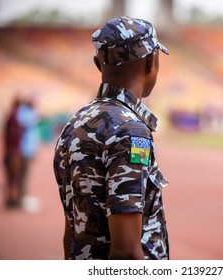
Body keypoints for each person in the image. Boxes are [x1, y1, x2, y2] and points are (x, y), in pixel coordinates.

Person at [53, 16, 170, 260]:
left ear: (98, 64)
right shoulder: (131, 131)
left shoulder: (75, 123)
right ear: (151, 61)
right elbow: (126, 251)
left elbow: (71, 234)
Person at [3, 98, 23, 208]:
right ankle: (11, 199)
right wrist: (13, 151)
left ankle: (11, 198)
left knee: (12, 176)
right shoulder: (14, 116)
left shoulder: (12, 115)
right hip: (13, 151)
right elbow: (12, 134)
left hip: (12, 150)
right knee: (13, 176)